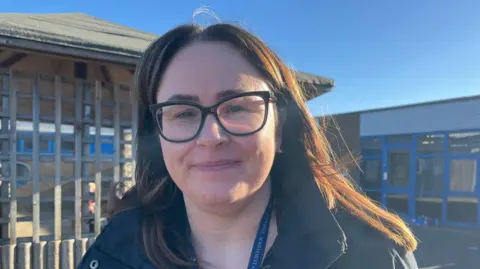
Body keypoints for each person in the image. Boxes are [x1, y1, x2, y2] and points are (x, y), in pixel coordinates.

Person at [77, 23, 419, 269]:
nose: (211, 136)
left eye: (237, 107)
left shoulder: (373, 257)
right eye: (182, 113)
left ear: (280, 128)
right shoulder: (112, 255)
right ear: (157, 135)